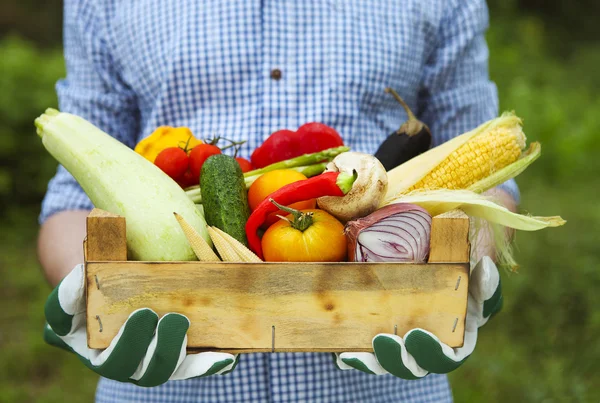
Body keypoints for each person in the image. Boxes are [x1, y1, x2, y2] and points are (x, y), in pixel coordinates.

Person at [38, 0, 519, 401]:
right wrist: (90, 293)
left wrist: (468, 270)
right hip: (163, 372)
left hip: (391, 363)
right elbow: (73, 194)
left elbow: (484, 173)